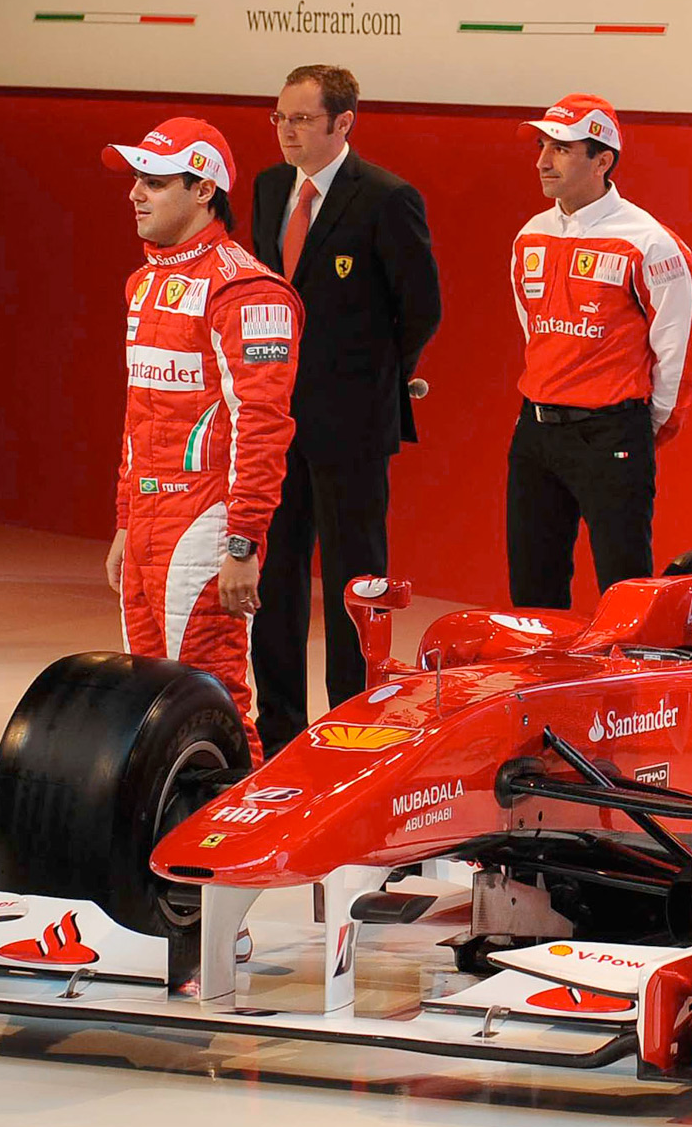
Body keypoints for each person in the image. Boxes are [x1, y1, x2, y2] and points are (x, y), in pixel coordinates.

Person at [248, 65, 441, 758]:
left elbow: (421, 309)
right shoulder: (269, 188)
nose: (287, 131)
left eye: (301, 119)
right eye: (280, 118)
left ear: (343, 123)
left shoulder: (386, 198)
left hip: (352, 423)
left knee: (352, 581)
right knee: (275, 577)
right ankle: (278, 733)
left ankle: (352, 725)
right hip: (273, 418)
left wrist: (371, 378)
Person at [101, 118, 303, 766]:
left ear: (204, 190)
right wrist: (126, 520)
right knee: (148, 703)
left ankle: (238, 824)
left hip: (205, 522)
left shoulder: (247, 290)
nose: (135, 193)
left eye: (155, 182)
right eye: (137, 178)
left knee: (210, 699)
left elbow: (263, 428)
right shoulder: (143, 283)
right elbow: (139, 416)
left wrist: (243, 543)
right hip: (147, 521)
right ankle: (166, 822)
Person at [507, 94, 692, 608]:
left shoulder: (651, 243)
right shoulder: (529, 236)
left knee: (623, 591)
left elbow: (677, 352)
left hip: (612, 431)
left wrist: (639, 428)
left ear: (602, 160)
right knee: (532, 591)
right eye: (542, 146)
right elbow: (534, 332)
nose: (543, 161)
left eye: (561, 149)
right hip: (535, 433)